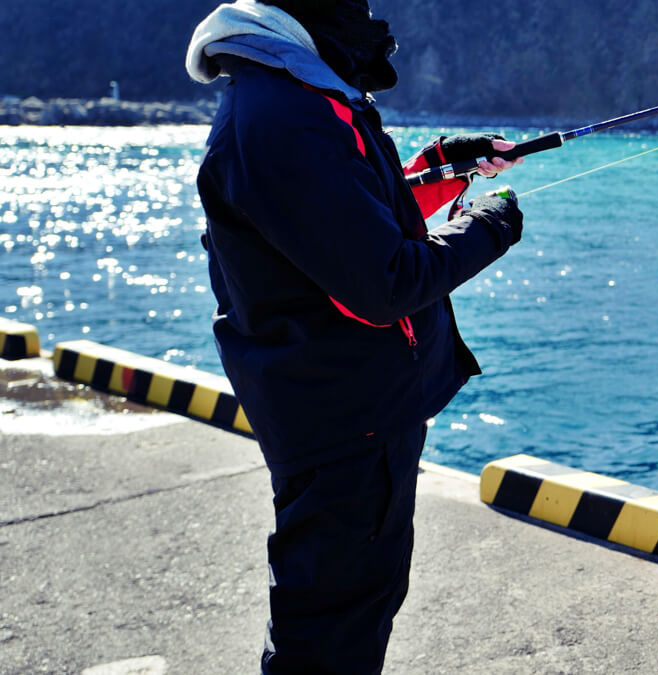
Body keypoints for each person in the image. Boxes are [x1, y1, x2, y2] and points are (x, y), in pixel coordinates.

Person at [185, 1, 525, 672]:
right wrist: (490, 226)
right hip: (344, 427)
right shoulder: (281, 119)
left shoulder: (294, 94)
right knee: (330, 633)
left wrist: (443, 165)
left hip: (354, 416)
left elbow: (344, 222)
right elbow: (384, 279)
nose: (369, 16)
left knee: (352, 611)